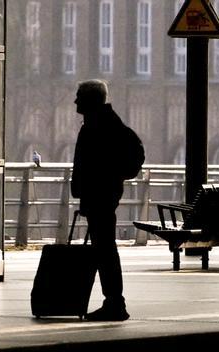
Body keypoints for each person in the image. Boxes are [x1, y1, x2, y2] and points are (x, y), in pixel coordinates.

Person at [71, 79, 137, 321]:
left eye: (79, 96)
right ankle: (113, 301)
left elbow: (94, 162)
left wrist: (105, 178)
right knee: (104, 250)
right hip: (102, 194)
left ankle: (115, 302)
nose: (75, 100)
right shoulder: (103, 122)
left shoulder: (100, 126)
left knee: (105, 251)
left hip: (101, 195)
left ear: (90, 99)